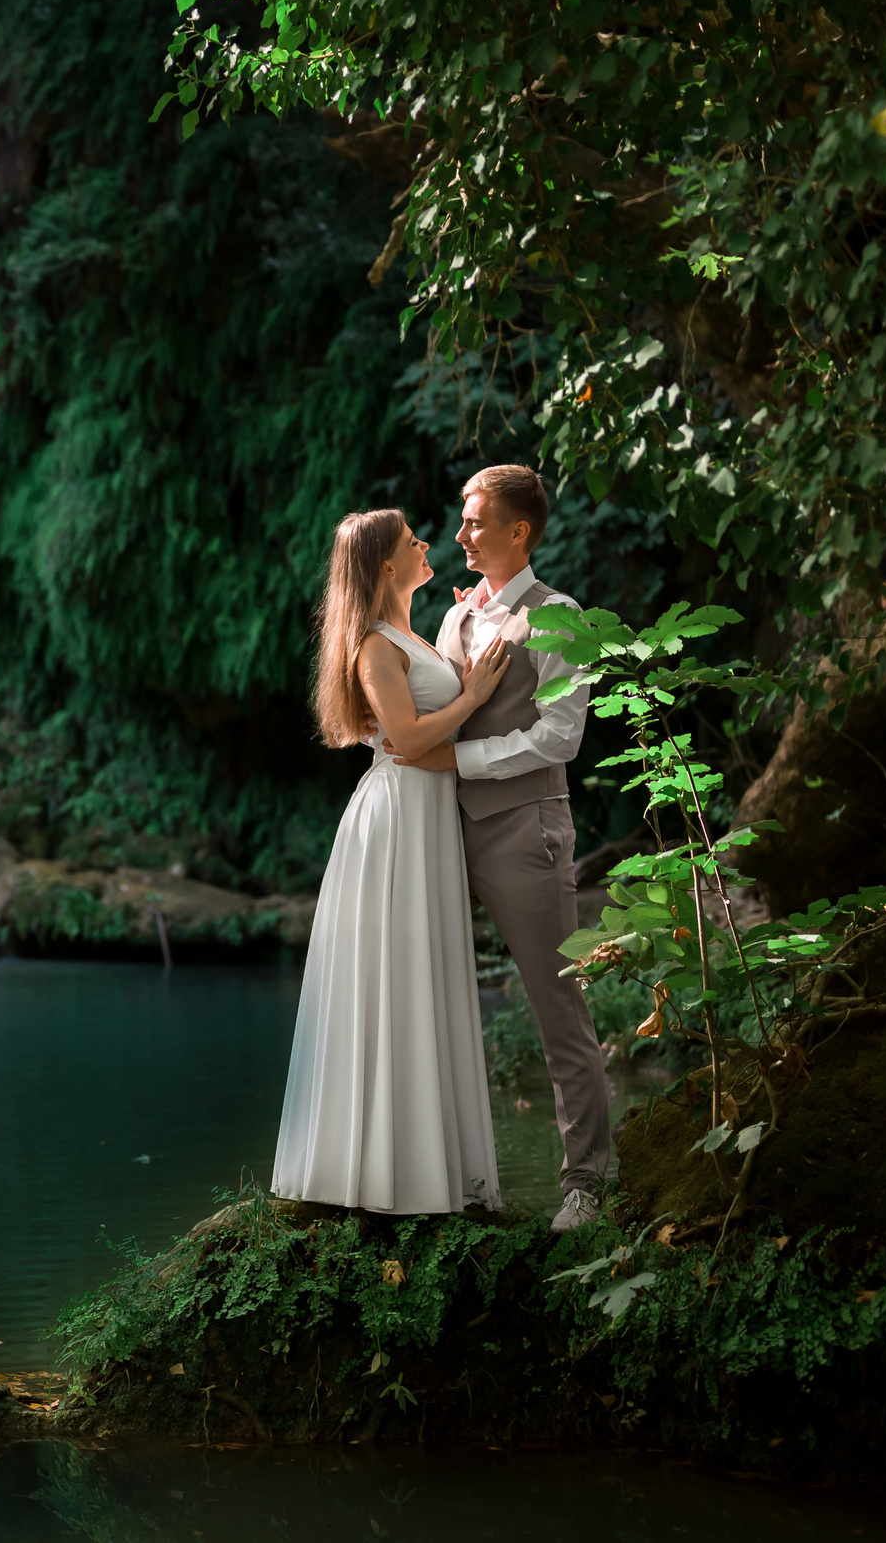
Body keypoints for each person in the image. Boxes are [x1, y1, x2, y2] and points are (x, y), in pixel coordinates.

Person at [272, 508, 510, 1215]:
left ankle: (431, 1169)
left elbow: (440, 699)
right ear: (384, 565)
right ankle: (378, 1175)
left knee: (426, 980)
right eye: (412, 542)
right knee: (396, 983)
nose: (427, 545)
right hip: (398, 820)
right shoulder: (375, 645)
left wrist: (474, 628)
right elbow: (405, 738)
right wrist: (472, 695)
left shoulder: (412, 633)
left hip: (425, 815)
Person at [395, 465, 614, 1233]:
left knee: (559, 1009)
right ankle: (432, 1174)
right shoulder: (456, 621)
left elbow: (563, 734)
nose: (460, 534)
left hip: (527, 831)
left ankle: (586, 1184)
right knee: (426, 1000)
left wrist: (464, 763)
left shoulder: (559, 616)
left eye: (476, 521)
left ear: (519, 532)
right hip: (442, 830)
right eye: (460, 520)